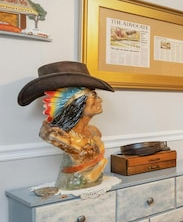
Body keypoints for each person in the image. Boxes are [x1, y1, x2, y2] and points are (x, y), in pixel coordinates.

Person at [18, 61, 114, 190]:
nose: (100, 100)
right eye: (94, 95)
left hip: (95, 183)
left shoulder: (94, 131)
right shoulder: (57, 136)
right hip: (72, 183)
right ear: (75, 103)